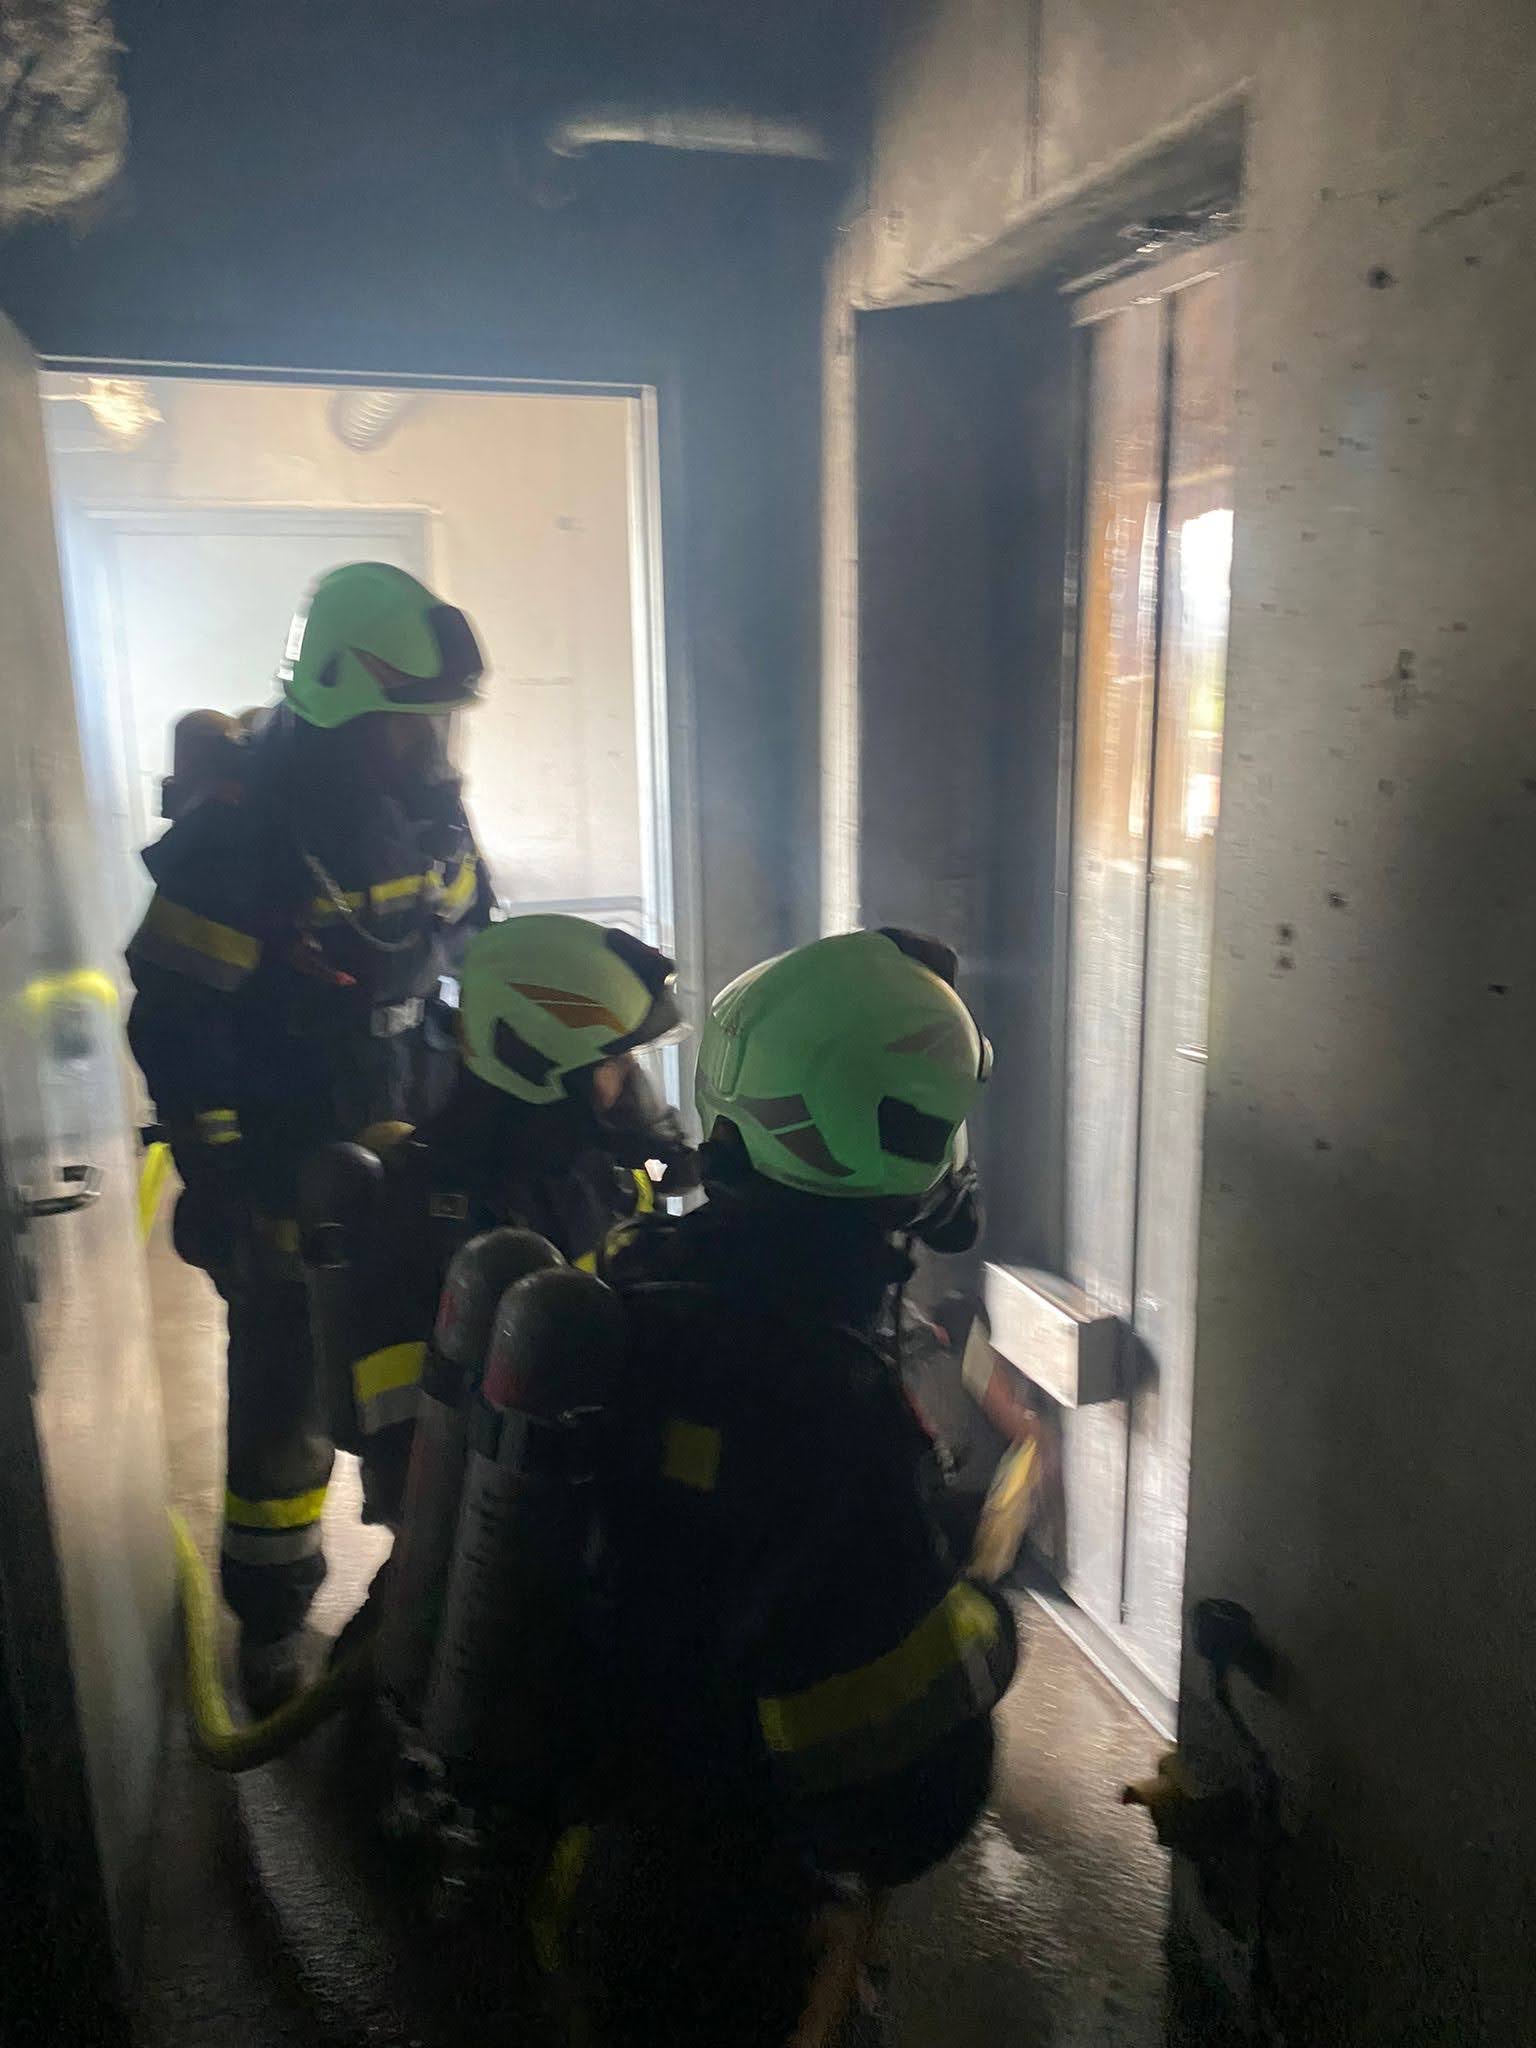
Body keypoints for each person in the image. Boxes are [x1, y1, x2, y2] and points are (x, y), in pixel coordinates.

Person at [566, 927, 1017, 2046]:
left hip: (599, 1839)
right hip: (734, 1921)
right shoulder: (835, 1401)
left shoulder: (637, 1275)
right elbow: (910, 1797)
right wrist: (987, 1625)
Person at [126, 562, 492, 1712]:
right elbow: (177, 1016)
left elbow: (478, 945)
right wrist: (225, 1172)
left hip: (412, 1127)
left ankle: (421, 1584)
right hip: (285, 1150)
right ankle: (274, 1612)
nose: (428, 742)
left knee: (427, 1363)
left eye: (436, 719)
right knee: (286, 1385)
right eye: (405, 720)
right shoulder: (241, 832)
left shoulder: (431, 808)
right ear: (337, 701)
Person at [324, 911, 694, 1538]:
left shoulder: (590, 1171)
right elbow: (409, 1456)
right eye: (616, 1063)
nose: (633, 1084)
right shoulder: (430, 1212)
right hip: (497, 1544)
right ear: (535, 1061)